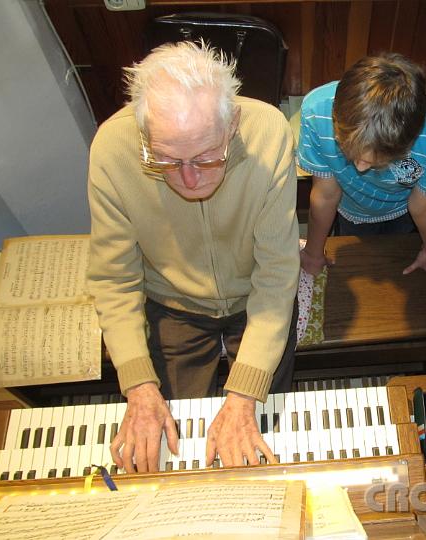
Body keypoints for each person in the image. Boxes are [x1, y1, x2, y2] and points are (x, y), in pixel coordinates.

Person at [86, 41, 300, 473]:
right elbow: (114, 279)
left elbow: (276, 274)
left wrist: (243, 396)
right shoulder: (111, 148)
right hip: (173, 304)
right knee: (179, 442)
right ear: (143, 133)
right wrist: (139, 385)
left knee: (264, 426)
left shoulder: (269, 130)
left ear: (233, 122)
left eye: (206, 157)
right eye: (164, 159)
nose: (188, 178)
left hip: (255, 298)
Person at [296, 53, 426, 276]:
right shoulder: (317, 112)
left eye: (376, 161)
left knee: (390, 262)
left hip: (403, 210)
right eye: (349, 151)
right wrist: (314, 253)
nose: (361, 168)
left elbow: (422, 206)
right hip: (350, 206)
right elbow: (325, 195)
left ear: (409, 142)